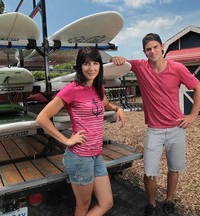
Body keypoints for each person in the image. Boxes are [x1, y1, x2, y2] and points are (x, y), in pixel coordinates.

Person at [111, 33, 200, 216]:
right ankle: (152, 204)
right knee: (149, 172)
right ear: (144, 52)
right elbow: (119, 63)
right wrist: (116, 58)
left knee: (174, 168)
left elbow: (198, 87)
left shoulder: (177, 68)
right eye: (148, 49)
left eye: (155, 47)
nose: (152, 51)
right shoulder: (139, 66)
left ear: (162, 47)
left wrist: (193, 114)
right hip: (154, 129)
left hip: (177, 127)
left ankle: (169, 201)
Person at [36, 46, 126, 216]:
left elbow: (104, 103)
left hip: (96, 155)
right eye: (86, 64)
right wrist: (66, 140)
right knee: (83, 206)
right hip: (80, 157)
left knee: (107, 202)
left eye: (94, 63)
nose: (91, 68)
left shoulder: (98, 88)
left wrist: (117, 108)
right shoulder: (72, 89)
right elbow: (42, 118)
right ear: (79, 66)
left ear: (100, 65)